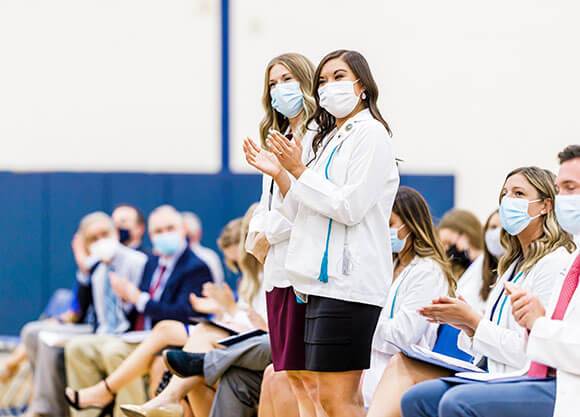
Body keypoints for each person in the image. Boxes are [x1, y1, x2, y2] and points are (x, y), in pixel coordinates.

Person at [267, 49, 399, 417]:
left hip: (351, 283)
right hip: (318, 284)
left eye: (339, 77)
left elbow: (350, 206)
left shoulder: (371, 135)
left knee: (339, 399)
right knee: (324, 396)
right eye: (322, 81)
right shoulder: (328, 140)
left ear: (362, 85)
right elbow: (302, 205)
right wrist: (283, 173)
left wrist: (299, 171)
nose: (328, 87)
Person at [400, 165, 577, 417]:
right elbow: (491, 344)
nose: (507, 201)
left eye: (518, 193)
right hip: (495, 373)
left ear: (545, 205)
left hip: (527, 377)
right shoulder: (513, 264)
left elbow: (531, 351)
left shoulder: (554, 264)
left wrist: (474, 321)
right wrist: (466, 325)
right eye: (504, 193)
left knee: (454, 402)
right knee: (416, 399)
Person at [119, 204, 267, 417]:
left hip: (260, 346)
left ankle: (161, 398)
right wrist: (222, 310)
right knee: (188, 371)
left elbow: (261, 324)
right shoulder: (251, 278)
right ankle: (163, 398)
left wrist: (229, 309)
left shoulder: (196, 265)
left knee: (181, 337)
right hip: (239, 339)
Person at [65, 205, 213, 417]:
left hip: (167, 339)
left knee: (113, 352)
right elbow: (132, 308)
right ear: (151, 236)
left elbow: (183, 314)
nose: (165, 235)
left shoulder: (195, 267)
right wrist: (126, 299)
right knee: (77, 347)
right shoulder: (152, 263)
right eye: (159, 231)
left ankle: (119, 407)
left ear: (183, 230)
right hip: (138, 335)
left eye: (170, 228)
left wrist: (138, 299)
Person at [242, 52, 320, 416]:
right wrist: (258, 232)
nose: (279, 89)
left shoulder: (320, 138)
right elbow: (266, 204)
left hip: (304, 268)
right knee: (294, 375)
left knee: (312, 377)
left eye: (287, 80)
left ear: (305, 82)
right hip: (277, 270)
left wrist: (267, 231)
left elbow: (308, 204)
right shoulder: (278, 136)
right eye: (272, 84)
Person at [19, 212, 148, 417]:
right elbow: (81, 308)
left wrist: (129, 298)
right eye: (93, 239)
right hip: (99, 330)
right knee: (39, 335)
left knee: (96, 349)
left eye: (104, 234)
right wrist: (83, 267)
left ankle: (46, 410)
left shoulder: (138, 261)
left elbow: (144, 308)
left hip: (127, 333)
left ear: (115, 233)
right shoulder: (95, 265)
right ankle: (75, 411)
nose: (100, 241)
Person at [363, 187, 456, 409]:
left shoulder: (428, 272)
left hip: (401, 376)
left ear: (411, 225)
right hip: (371, 373)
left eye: (390, 224)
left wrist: (358, 322)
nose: (384, 231)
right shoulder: (388, 267)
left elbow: (401, 336)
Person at [438, 209, 486, 311]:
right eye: (443, 245)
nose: (447, 249)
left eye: (449, 242)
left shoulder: (488, 266)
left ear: (467, 235)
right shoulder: (458, 270)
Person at [183, 211, 225, 285]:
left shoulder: (209, 257)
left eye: (189, 236)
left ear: (199, 234)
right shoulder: (167, 259)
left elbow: (217, 285)